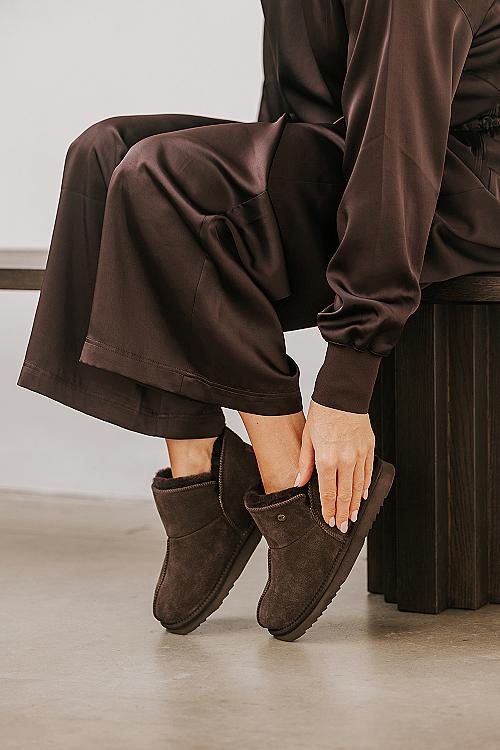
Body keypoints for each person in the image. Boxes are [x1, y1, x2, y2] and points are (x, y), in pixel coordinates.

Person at [18, 0, 500, 640]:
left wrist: (346, 387)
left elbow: (397, 150)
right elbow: (290, 120)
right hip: (354, 158)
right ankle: (201, 471)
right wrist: (236, 225)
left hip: (455, 188)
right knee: (106, 154)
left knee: (166, 175)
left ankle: (288, 484)